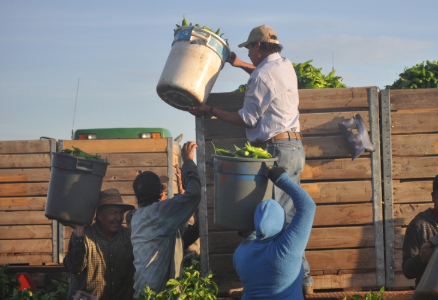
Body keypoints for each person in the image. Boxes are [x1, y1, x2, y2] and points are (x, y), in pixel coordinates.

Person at [188, 24, 313, 293]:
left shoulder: (261, 76)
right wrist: (239, 63)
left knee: (278, 221)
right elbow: (262, 74)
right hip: (293, 147)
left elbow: (246, 118)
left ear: (258, 46)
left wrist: (209, 110)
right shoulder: (284, 65)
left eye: (250, 49)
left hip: (276, 150)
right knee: (290, 216)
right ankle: (304, 281)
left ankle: (284, 284)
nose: (250, 54)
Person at [130, 141, 201, 296]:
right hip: (155, 295)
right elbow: (194, 194)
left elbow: (179, 240)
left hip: (145, 293)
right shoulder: (158, 213)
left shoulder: (140, 216)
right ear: (160, 194)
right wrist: (188, 162)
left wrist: (196, 228)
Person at [233, 167, 315, 300]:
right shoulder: (287, 248)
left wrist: (250, 236)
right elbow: (307, 206)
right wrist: (281, 179)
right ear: (281, 221)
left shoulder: (240, 254)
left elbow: (255, 251)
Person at [63, 188, 136, 300]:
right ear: (100, 215)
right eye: (113, 213)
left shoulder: (129, 236)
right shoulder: (84, 235)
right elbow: (75, 267)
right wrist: (79, 231)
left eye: (121, 213)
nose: (118, 218)